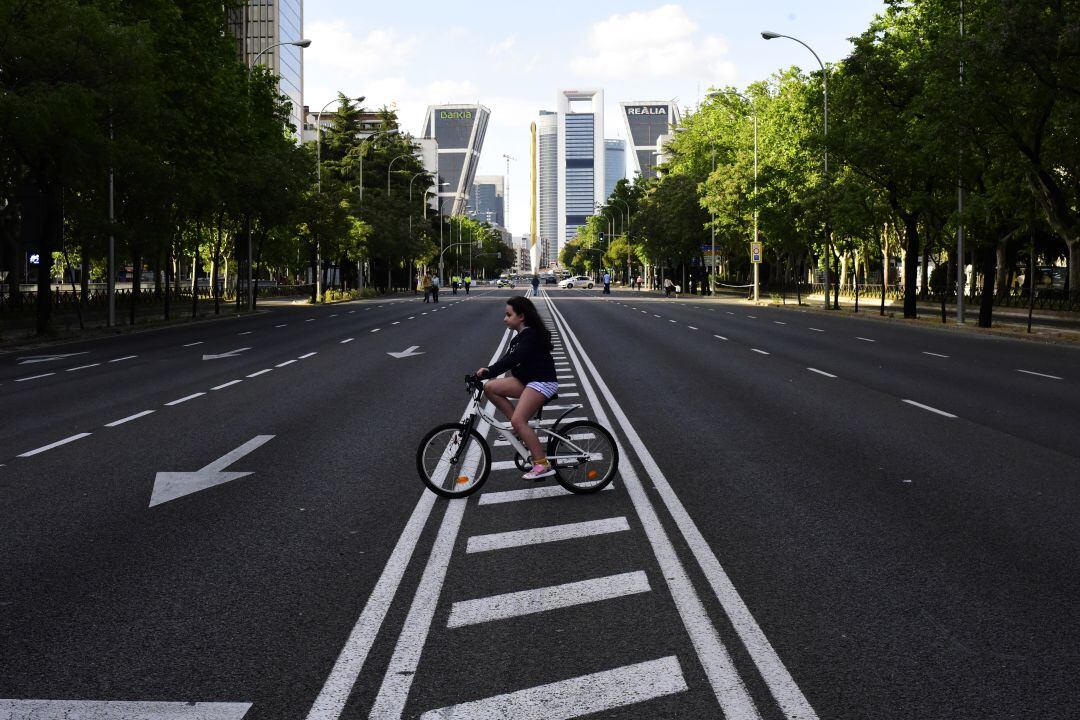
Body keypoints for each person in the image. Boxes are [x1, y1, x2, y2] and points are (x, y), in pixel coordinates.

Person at [475, 296, 558, 480]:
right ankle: (520, 430)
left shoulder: (530, 336)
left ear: (521, 316)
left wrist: (489, 370)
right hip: (528, 380)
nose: (505, 318)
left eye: (508, 314)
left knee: (518, 421)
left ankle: (542, 464)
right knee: (490, 388)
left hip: (542, 381)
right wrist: (487, 374)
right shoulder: (521, 337)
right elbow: (506, 360)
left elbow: (511, 360)